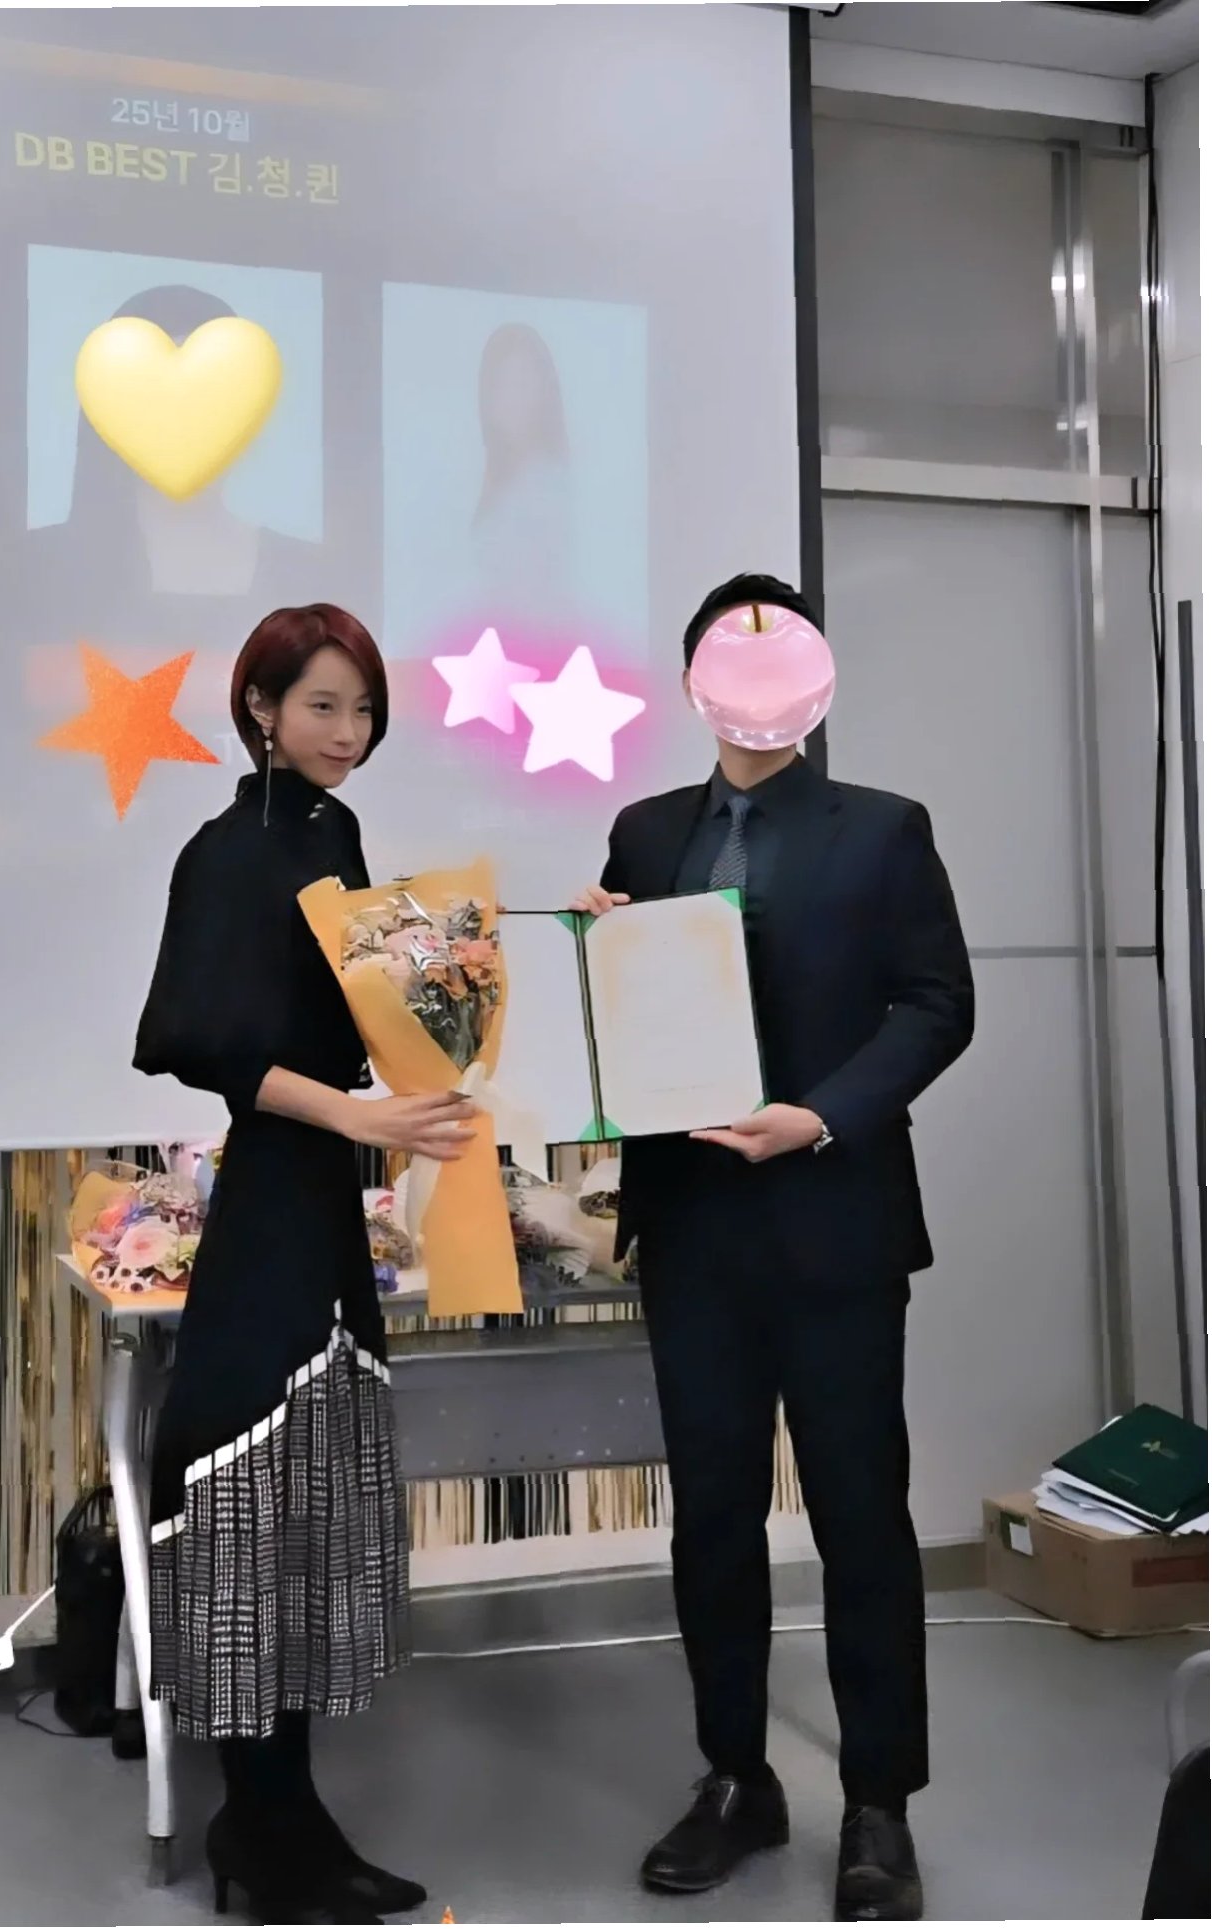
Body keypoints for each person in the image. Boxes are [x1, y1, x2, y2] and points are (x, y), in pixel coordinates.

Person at [572, 572, 974, 1923]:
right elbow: (621, 1023)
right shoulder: (644, 832)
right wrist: (591, 952)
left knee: (861, 1515)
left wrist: (821, 1114)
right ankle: (735, 1778)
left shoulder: (884, 830)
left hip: (834, 1222)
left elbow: (937, 1004)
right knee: (712, 1516)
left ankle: (879, 1804)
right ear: (697, 683)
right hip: (692, 1228)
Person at [134, 605, 477, 1925]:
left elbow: (387, 1005)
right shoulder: (226, 852)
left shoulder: (335, 836)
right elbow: (207, 1046)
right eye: (323, 704)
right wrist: (361, 1118)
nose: (349, 730)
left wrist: (534, 947)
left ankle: (283, 1821)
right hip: (276, 1201)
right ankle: (262, 1825)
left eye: (364, 708)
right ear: (260, 709)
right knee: (249, 1498)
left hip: (327, 1198)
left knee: (311, 1503)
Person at [26, 284, 326, 646]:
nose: (186, 419)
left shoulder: (305, 571)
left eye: (215, 394)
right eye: (154, 396)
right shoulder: (38, 565)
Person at [470, 321, 572, 614]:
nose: (513, 400)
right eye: (502, 385)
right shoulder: (488, 485)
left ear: (546, 393)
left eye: (524, 383)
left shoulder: (555, 487)